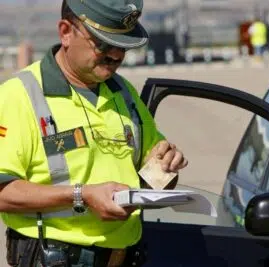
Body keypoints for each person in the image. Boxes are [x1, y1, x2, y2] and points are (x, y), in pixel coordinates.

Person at [0, 0, 188, 266]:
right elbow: (3, 192)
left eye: (123, 45)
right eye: (102, 43)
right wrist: (81, 195)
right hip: (56, 258)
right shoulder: (20, 95)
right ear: (65, 32)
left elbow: (153, 178)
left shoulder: (124, 94)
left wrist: (166, 167)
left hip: (127, 256)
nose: (115, 55)